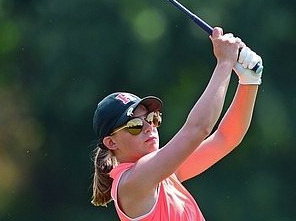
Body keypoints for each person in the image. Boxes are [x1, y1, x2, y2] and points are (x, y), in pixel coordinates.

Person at [90, 27, 263, 220]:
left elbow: (226, 138)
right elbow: (198, 129)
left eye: (151, 118)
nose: (149, 128)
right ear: (111, 143)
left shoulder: (163, 175)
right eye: (135, 126)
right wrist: (224, 63)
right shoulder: (131, 183)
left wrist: (249, 81)